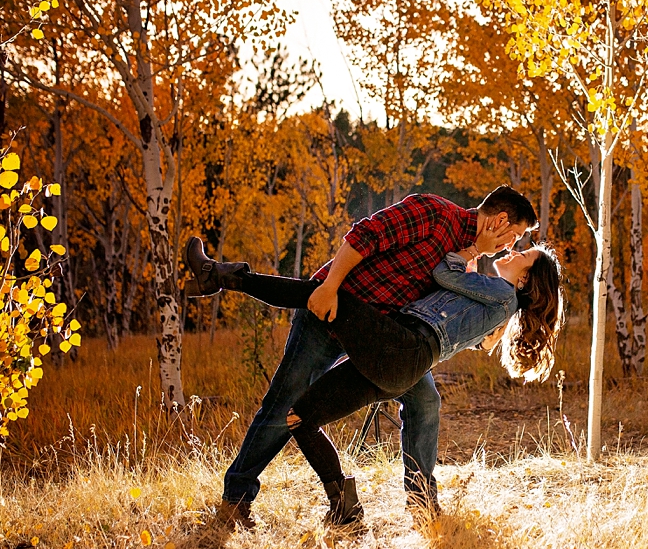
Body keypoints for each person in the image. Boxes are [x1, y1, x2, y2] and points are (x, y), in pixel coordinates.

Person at [195, 187, 539, 529]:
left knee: (425, 401)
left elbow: (445, 316)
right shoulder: (435, 214)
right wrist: (329, 287)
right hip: (331, 313)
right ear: (500, 220)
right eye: (516, 236)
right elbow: (364, 235)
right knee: (283, 405)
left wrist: (485, 331)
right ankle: (236, 501)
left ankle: (422, 503)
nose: (511, 245)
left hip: (386, 340)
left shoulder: (469, 258)